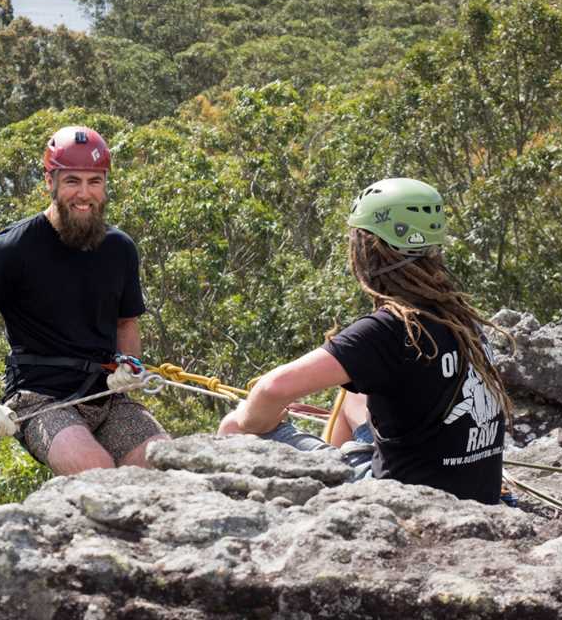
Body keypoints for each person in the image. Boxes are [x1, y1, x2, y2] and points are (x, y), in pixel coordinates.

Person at [218, 178, 513, 504]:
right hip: (474, 493)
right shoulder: (459, 319)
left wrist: (253, 419)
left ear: (366, 248)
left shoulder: (389, 329)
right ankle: (338, 465)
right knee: (353, 397)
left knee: (234, 426)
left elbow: (272, 389)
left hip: (404, 499)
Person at [0, 125, 169, 475]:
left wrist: (129, 364)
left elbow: (126, 321)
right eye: (72, 181)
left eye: (94, 181)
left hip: (106, 395)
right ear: (50, 182)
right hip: (38, 398)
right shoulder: (10, 249)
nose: (84, 194)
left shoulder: (119, 249)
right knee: (94, 471)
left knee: (162, 462)